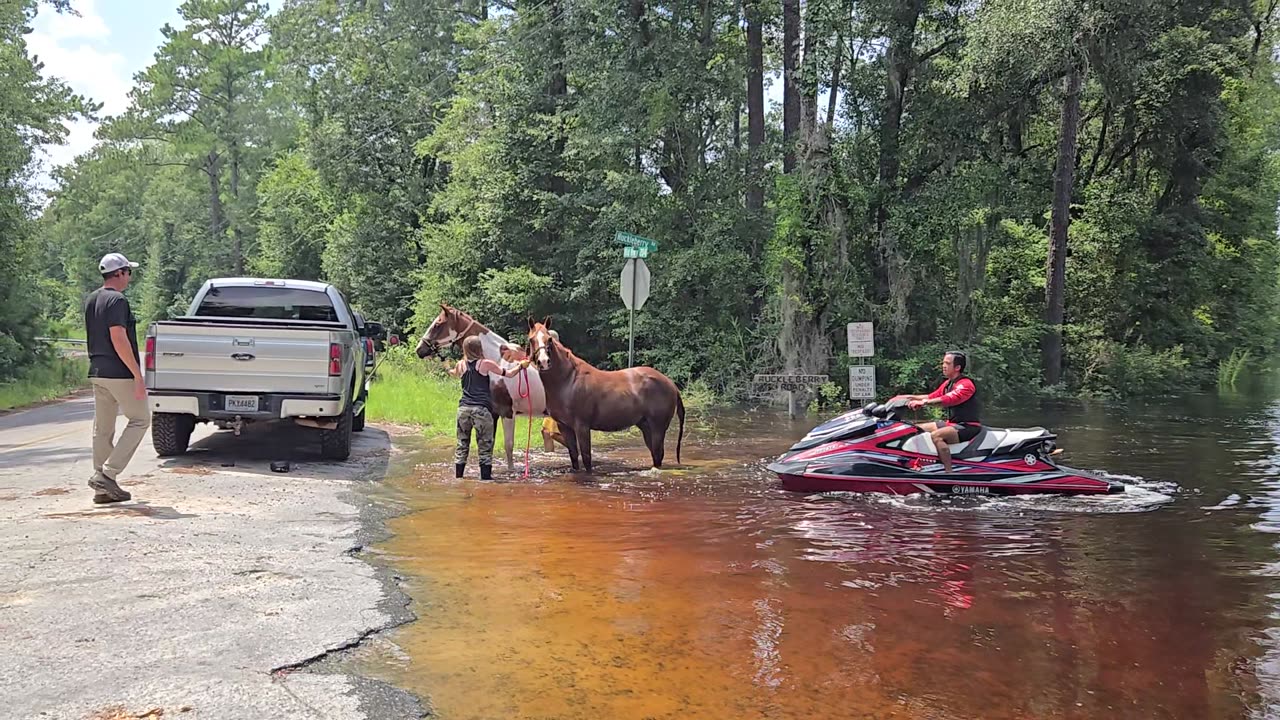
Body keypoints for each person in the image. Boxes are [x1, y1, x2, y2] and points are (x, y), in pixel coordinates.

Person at [84, 252, 151, 504]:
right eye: (129, 273)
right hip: (119, 372)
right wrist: (137, 374)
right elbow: (118, 337)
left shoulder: (92, 299)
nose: (129, 278)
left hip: (97, 372)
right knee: (141, 419)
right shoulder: (117, 300)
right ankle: (108, 474)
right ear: (120, 273)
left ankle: (102, 491)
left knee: (103, 429)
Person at [445, 335, 529, 480]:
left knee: (462, 445)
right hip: (481, 410)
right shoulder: (486, 364)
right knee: (485, 447)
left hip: (463, 409)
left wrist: (447, 367)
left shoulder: (460, 364)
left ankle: (459, 477)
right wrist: (521, 366)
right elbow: (508, 374)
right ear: (479, 348)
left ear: (465, 349)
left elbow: (453, 374)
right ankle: (485, 480)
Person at [899, 350, 980, 473]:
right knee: (914, 428)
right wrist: (907, 397)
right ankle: (915, 463)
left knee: (937, 435)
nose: (944, 366)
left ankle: (949, 472)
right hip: (952, 424)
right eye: (943, 363)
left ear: (957, 367)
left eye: (947, 363)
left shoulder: (965, 384)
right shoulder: (948, 383)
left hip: (968, 426)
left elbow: (949, 398)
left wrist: (924, 403)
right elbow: (932, 396)